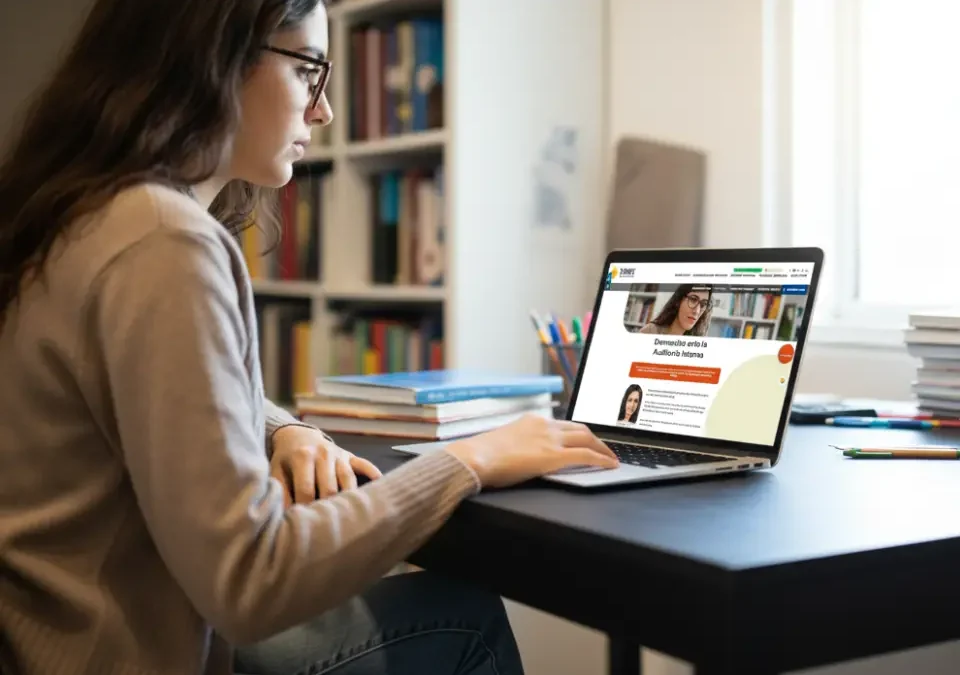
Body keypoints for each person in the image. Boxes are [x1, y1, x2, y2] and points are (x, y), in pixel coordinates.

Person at [0, 1, 620, 674]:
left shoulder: (80, 216)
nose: (322, 111)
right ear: (219, 57)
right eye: (309, 72)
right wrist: (471, 459)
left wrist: (279, 429)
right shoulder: (163, 241)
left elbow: (142, 388)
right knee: (463, 619)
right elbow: (251, 580)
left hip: (50, 637)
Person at [639, 284, 714, 336]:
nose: (697, 311)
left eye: (703, 304)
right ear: (678, 301)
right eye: (693, 299)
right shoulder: (650, 332)